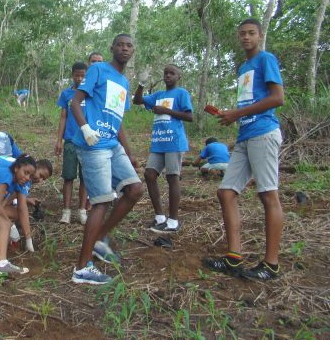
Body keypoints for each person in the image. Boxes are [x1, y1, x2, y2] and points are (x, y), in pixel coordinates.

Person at [203, 18, 285, 281]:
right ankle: (233, 257)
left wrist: (238, 112)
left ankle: (271, 264)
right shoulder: (243, 68)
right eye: (242, 34)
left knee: (268, 195)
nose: (246, 38)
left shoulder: (265, 59)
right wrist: (234, 115)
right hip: (245, 134)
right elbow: (252, 99)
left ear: (259, 36)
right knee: (226, 192)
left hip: (263, 132)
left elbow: (276, 98)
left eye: (251, 33)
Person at [69, 33, 143, 285]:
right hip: (94, 145)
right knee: (101, 202)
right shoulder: (98, 69)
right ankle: (82, 268)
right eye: (120, 44)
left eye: (129, 45)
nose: (124, 48)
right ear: (112, 48)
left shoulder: (123, 82)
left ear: (133, 51)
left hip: (113, 144)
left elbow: (117, 120)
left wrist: (130, 153)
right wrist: (85, 128)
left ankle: (100, 237)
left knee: (134, 190)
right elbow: (75, 102)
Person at [133, 64, 193, 234]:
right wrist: (142, 84)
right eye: (165, 73)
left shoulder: (182, 93)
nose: (168, 76)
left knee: (172, 177)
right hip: (158, 142)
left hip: (174, 141)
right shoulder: (158, 95)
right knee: (149, 174)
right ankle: (160, 217)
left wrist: (166, 110)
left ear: (178, 77)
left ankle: (173, 221)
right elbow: (137, 101)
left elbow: (189, 116)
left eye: (172, 73)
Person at [54, 61, 88, 224]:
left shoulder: (91, 93)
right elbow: (63, 117)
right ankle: (66, 211)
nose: (80, 78)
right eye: (77, 75)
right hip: (70, 141)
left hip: (88, 142)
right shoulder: (66, 94)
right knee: (68, 176)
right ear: (72, 75)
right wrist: (59, 140)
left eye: (83, 75)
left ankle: (82, 210)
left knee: (85, 178)